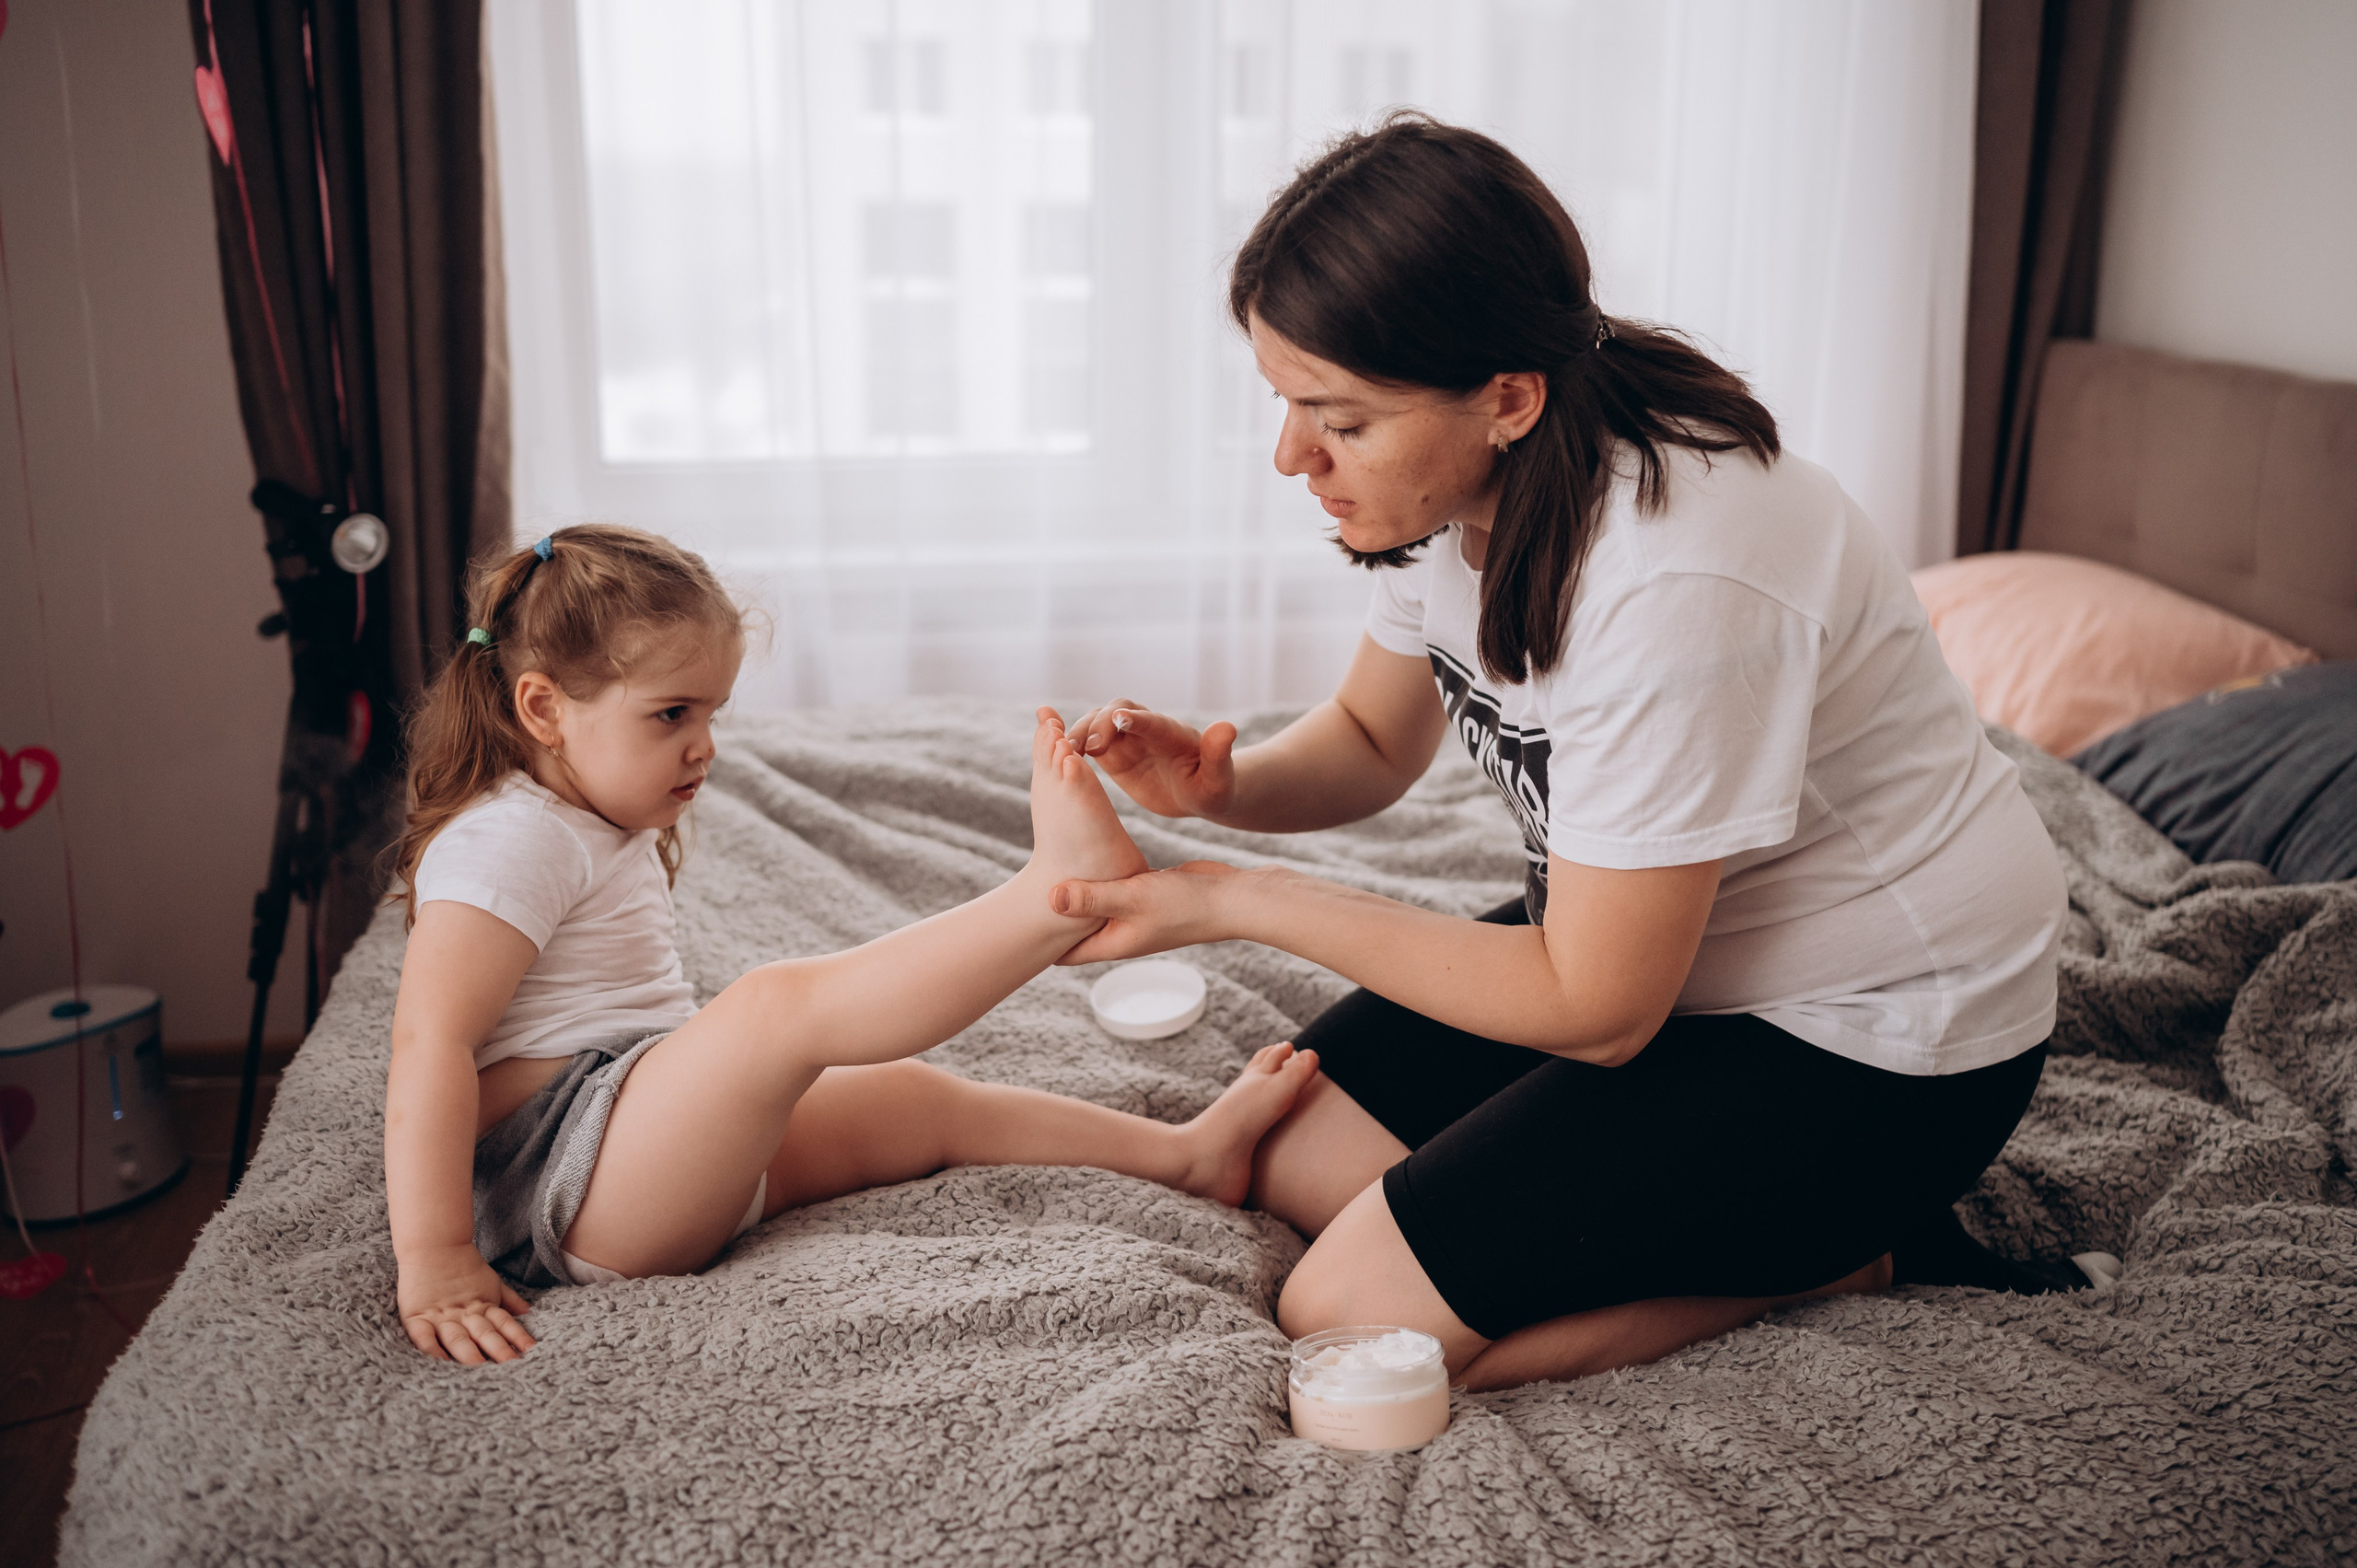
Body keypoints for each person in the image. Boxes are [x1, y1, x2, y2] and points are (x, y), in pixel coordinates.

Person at [1050, 114, 2088, 1393]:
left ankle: (1849, 1257)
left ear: (1507, 396)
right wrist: (1223, 787)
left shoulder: (1678, 574)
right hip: (1662, 955)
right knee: (1291, 1143)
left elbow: (1596, 1009)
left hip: (1879, 1038)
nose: (1291, 456)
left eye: (1339, 419)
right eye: (1285, 402)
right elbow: (1373, 737)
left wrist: (1235, 897)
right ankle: (1745, 1236)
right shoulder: (1455, 489)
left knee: (1349, 1318)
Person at [383, 524, 1318, 1365]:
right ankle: (1053, 896)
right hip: (560, 1188)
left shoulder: (587, 813)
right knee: (773, 1009)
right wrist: (436, 1257)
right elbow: (430, 1041)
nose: (704, 746)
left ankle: (1186, 1155)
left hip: (647, 1148)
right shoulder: (507, 839)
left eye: (712, 714)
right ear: (544, 709)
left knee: (912, 1097)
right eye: (671, 715)